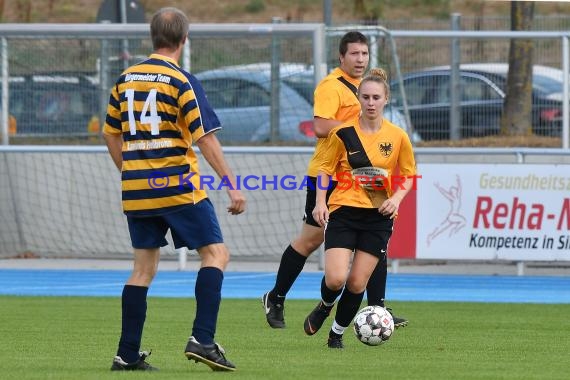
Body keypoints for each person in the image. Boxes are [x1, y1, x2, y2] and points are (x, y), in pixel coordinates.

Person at [103, 7, 245, 372]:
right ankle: (203, 339)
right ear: (184, 40)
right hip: (177, 186)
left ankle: (127, 354)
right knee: (216, 255)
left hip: (137, 190)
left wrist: (131, 171)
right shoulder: (181, 80)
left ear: (152, 38)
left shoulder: (124, 80)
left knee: (142, 270)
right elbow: (205, 138)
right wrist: (232, 185)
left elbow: (109, 132)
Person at [262, 31, 408, 329]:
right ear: (341, 57)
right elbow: (319, 126)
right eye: (354, 54)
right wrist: (358, 130)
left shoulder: (365, 87)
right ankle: (276, 296)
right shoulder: (332, 86)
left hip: (366, 174)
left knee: (377, 234)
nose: (360, 59)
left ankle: (377, 309)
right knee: (311, 239)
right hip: (330, 175)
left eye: (364, 54)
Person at [305, 68, 416, 348]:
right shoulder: (342, 133)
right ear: (358, 98)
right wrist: (320, 202)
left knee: (356, 284)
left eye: (376, 97)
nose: (370, 102)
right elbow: (325, 170)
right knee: (336, 278)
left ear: (385, 100)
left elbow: (408, 175)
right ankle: (325, 304)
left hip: (378, 217)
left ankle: (337, 334)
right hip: (343, 211)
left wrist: (396, 199)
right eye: (365, 96)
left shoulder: (398, 136)